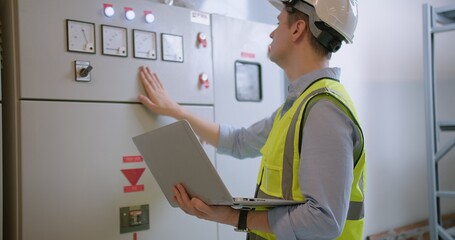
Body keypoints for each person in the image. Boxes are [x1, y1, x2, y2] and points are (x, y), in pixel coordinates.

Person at [137, 0, 365, 239]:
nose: (272, 32)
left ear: (297, 29)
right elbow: (239, 141)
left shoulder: (324, 109)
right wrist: (177, 112)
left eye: (278, 24)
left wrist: (232, 216)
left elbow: (323, 221)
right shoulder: (299, 105)